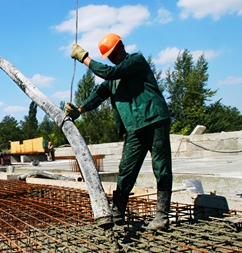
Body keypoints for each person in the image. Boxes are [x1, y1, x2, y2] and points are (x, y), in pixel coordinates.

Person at [67, 33, 172, 230]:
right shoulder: (114, 80)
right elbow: (98, 94)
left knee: (162, 168)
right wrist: (80, 110)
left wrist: (84, 58)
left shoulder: (135, 61)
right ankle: (118, 212)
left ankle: (162, 215)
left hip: (155, 120)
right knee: (126, 171)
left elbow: (108, 73)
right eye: (110, 55)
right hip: (135, 128)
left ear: (122, 46)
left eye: (115, 52)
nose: (113, 57)